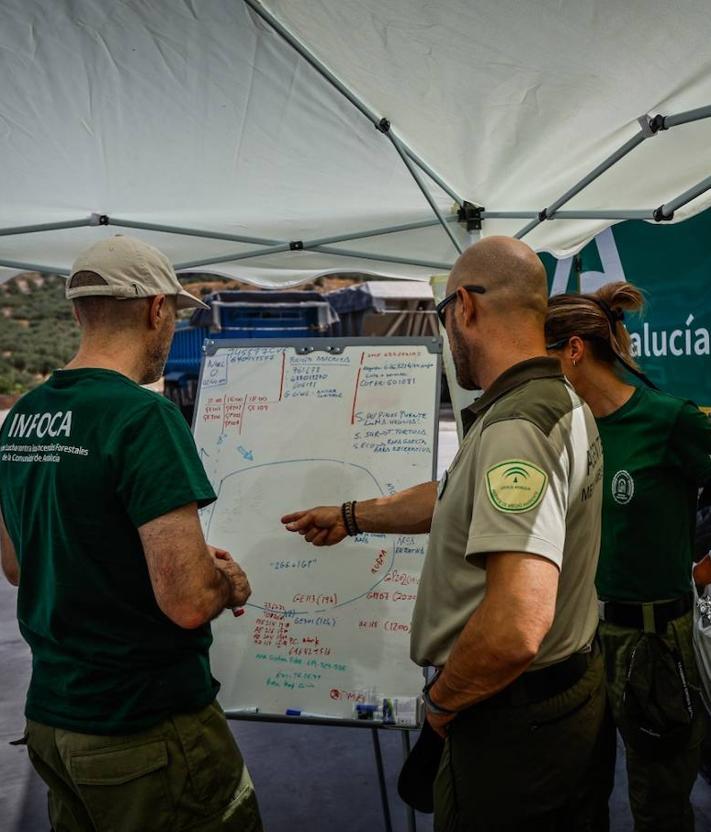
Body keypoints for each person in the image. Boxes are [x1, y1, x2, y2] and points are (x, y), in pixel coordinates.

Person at [282, 236, 607, 831]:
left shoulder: (517, 429)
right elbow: (459, 497)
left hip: (508, 718)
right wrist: (354, 516)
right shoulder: (556, 398)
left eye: (441, 318)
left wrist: (441, 704)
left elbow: (513, 629)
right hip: (552, 702)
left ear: (464, 307)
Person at [0, 236, 263, 832]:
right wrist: (226, 581)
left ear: (77, 311)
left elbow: (18, 566)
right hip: (143, 729)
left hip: (53, 720)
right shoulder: (143, 417)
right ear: (156, 310)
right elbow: (189, 601)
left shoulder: (23, 415)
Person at [545, 281, 711, 832]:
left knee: (658, 805)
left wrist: (702, 574)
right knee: (577, 794)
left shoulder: (668, 420)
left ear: (573, 350)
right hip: (584, 641)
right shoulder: (565, 430)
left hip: (658, 644)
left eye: (538, 356)